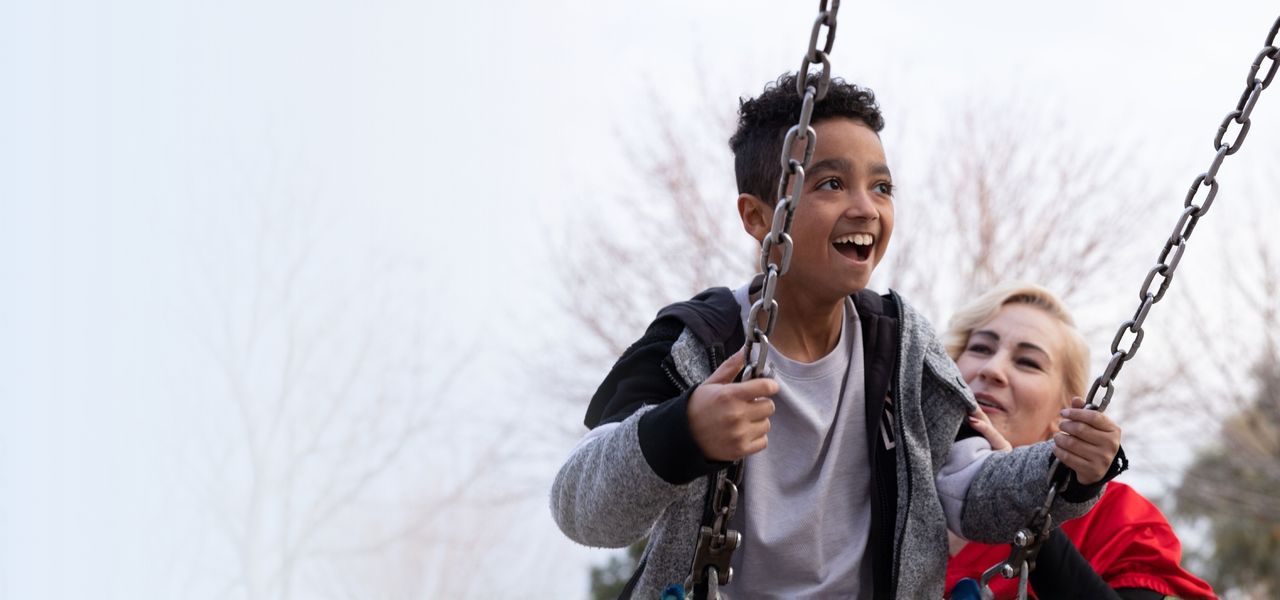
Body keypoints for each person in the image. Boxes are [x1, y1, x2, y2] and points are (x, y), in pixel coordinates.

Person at [550, 73, 1123, 599]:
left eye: (881, 187)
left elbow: (970, 492)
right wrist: (684, 430)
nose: (865, 209)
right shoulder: (698, 343)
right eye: (829, 183)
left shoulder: (899, 345)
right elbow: (581, 508)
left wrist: (1067, 467)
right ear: (757, 217)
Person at [942, 282, 1215, 600]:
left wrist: (1022, 504)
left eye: (1028, 362)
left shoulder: (1117, 520)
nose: (992, 369)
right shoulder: (891, 481)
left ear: (1064, 413)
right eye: (980, 349)